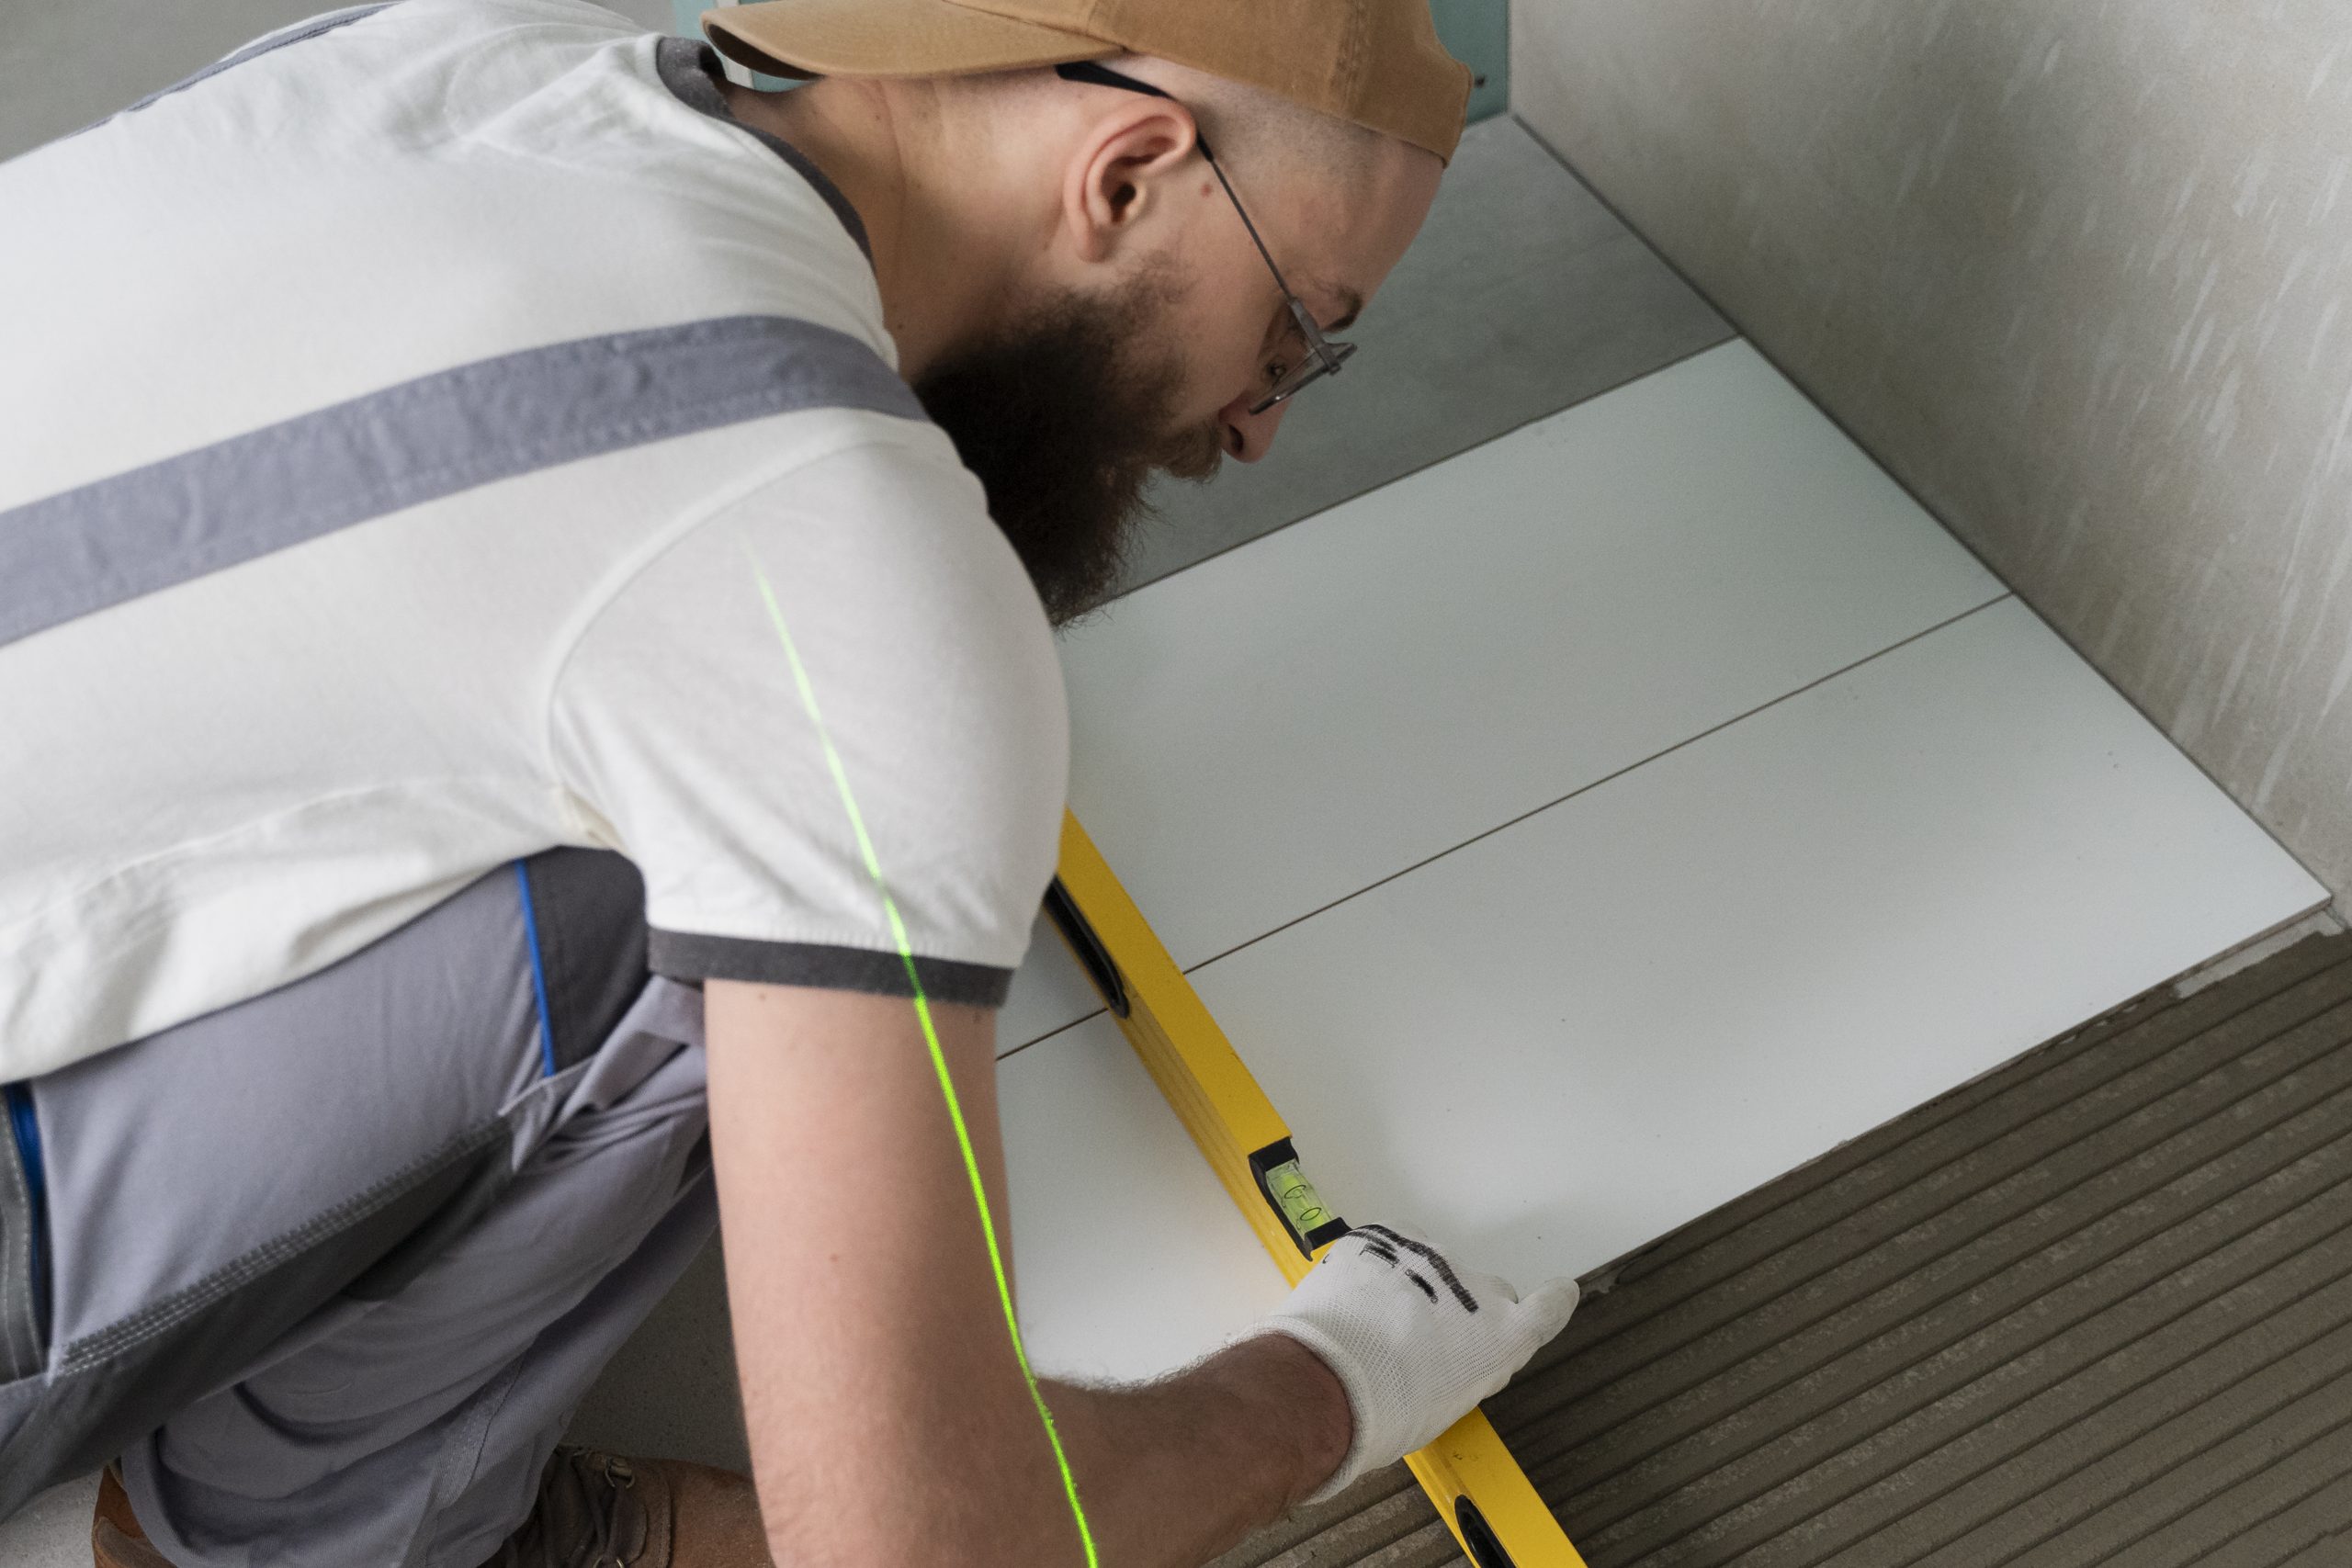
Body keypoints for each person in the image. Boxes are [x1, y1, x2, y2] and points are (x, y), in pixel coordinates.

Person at [0, 0, 1580, 1562]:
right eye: (1295, 329)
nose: (1256, 428)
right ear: (1126, 172)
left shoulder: (454, 52)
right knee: (731, 850)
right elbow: (924, 1548)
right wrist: (1333, 1386)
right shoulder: (822, 548)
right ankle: (315, 1539)